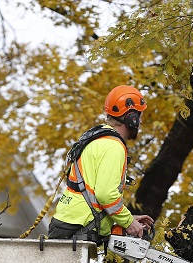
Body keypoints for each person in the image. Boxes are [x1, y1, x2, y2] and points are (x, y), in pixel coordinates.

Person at [47, 85, 154, 241]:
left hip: (70, 222)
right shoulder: (113, 146)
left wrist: (126, 217)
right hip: (77, 226)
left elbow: (96, 196)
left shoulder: (100, 139)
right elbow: (106, 195)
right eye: (139, 116)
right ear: (132, 118)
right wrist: (128, 222)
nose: (140, 121)